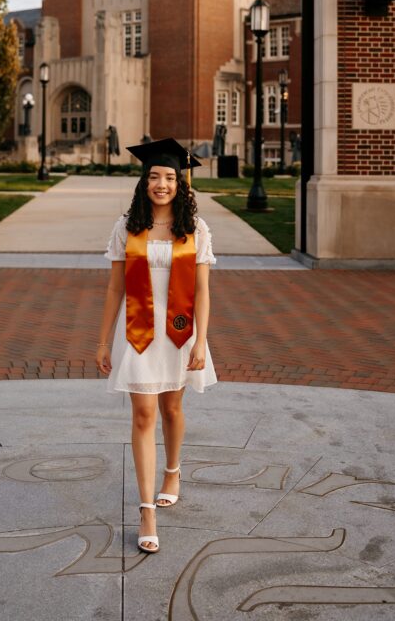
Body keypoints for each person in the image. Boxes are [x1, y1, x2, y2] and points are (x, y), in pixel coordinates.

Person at [95, 138, 217, 554]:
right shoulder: (126, 226)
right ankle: (146, 509)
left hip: (179, 331)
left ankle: (173, 471)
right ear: (144, 182)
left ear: (181, 184)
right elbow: (114, 288)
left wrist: (201, 340)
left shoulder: (195, 229)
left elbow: (202, 291)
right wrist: (101, 340)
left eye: (168, 177)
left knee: (172, 408)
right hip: (137, 331)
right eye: (154, 177)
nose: (161, 184)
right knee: (144, 412)